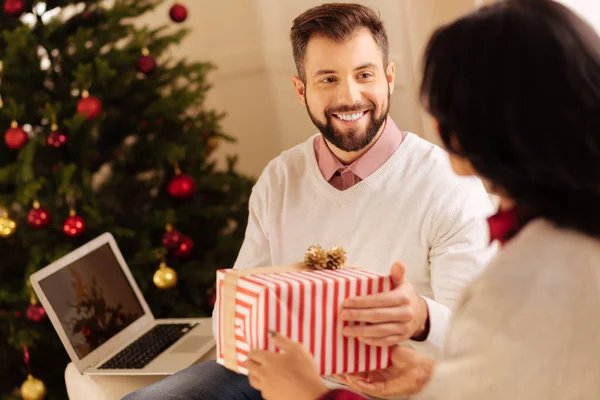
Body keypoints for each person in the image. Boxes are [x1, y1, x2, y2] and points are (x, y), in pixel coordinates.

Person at [123, 3, 494, 400]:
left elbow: (479, 343)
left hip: (390, 388)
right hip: (271, 378)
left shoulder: (449, 186)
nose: (349, 96)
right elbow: (238, 306)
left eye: (364, 75)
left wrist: (420, 318)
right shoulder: (279, 179)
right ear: (301, 90)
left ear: (388, 78)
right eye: (328, 79)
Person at [245, 0, 600, 399]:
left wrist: (311, 394)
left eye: (445, 109)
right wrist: (428, 376)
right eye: (327, 78)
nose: (435, 124)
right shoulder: (561, 240)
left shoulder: (530, 273)